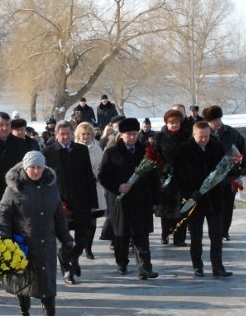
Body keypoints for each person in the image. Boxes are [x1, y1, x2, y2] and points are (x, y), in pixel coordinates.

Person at [0, 151, 74, 316]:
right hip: (23, 242)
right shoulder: (14, 188)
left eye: (39, 167)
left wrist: (66, 238)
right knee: (24, 282)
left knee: (48, 283)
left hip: (46, 242)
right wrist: (5, 237)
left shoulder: (50, 186)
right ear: (25, 167)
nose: (36, 171)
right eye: (32, 167)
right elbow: (4, 213)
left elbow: (58, 215)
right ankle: (24, 315)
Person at [98, 117, 159, 279]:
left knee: (141, 234)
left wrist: (155, 199)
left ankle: (145, 268)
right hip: (121, 200)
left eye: (134, 134)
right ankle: (122, 262)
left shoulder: (146, 152)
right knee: (122, 234)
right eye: (128, 134)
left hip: (141, 199)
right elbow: (103, 176)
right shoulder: (112, 152)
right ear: (121, 135)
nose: (132, 137)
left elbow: (154, 176)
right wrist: (118, 187)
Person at [173, 121, 234, 277]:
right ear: (194, 134)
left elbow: (223, 170)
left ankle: (217, 266)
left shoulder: (217, 146)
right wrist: (191, 193)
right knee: (196, 235)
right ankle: (197, 265)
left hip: (214, 199)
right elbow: (179, 177)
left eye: (207, 136)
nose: (204, 140)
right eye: (201, 137)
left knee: (216, 235)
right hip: (194, 199)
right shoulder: (183, 150)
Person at [43, 121, 98, 285]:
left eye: (68, 133)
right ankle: (67, 270)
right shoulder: (48, 152)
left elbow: (89, 175)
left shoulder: (81, 150)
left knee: (84, 237)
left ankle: (74, 258)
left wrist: (93, 201)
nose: (66, 137)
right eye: (62, 134)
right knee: (64, 240)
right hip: (60, 203)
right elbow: (45, 180)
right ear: (56, 135)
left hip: (82, 201)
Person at [202, 105, 246, 241]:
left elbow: (242, 151)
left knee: (227, 206)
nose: (216, 122)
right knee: (213, 206)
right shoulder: (204, 134)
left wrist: (245, 169)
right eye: (213, 120)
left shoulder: (232, 133)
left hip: (230, 176)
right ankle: (215, 230)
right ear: (208, 122)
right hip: (210, 178)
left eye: (218, 119)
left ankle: (224, 231)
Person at [153, 109, 190, 246]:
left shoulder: (187, 137)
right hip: (165, 178)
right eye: (171, 123)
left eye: (176, 123)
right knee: (166, 209)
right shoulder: (160, 137)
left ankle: (179, 237)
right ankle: (165, 234)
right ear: (167, 123)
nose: (174, 125)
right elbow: (153, 156)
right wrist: (162, 170)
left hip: (182, 179)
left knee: (182, 208)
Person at [74, 121, 105, 259]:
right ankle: (80, 245)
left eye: (88, 134)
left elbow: (101, 165)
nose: (86, 137)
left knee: (93, 220)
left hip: (95, 185)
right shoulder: (74, 148)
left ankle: (89, 247)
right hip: (79, 188)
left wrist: (96, 175)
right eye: (83, 134)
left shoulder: (97, 148)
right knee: (81, 220)